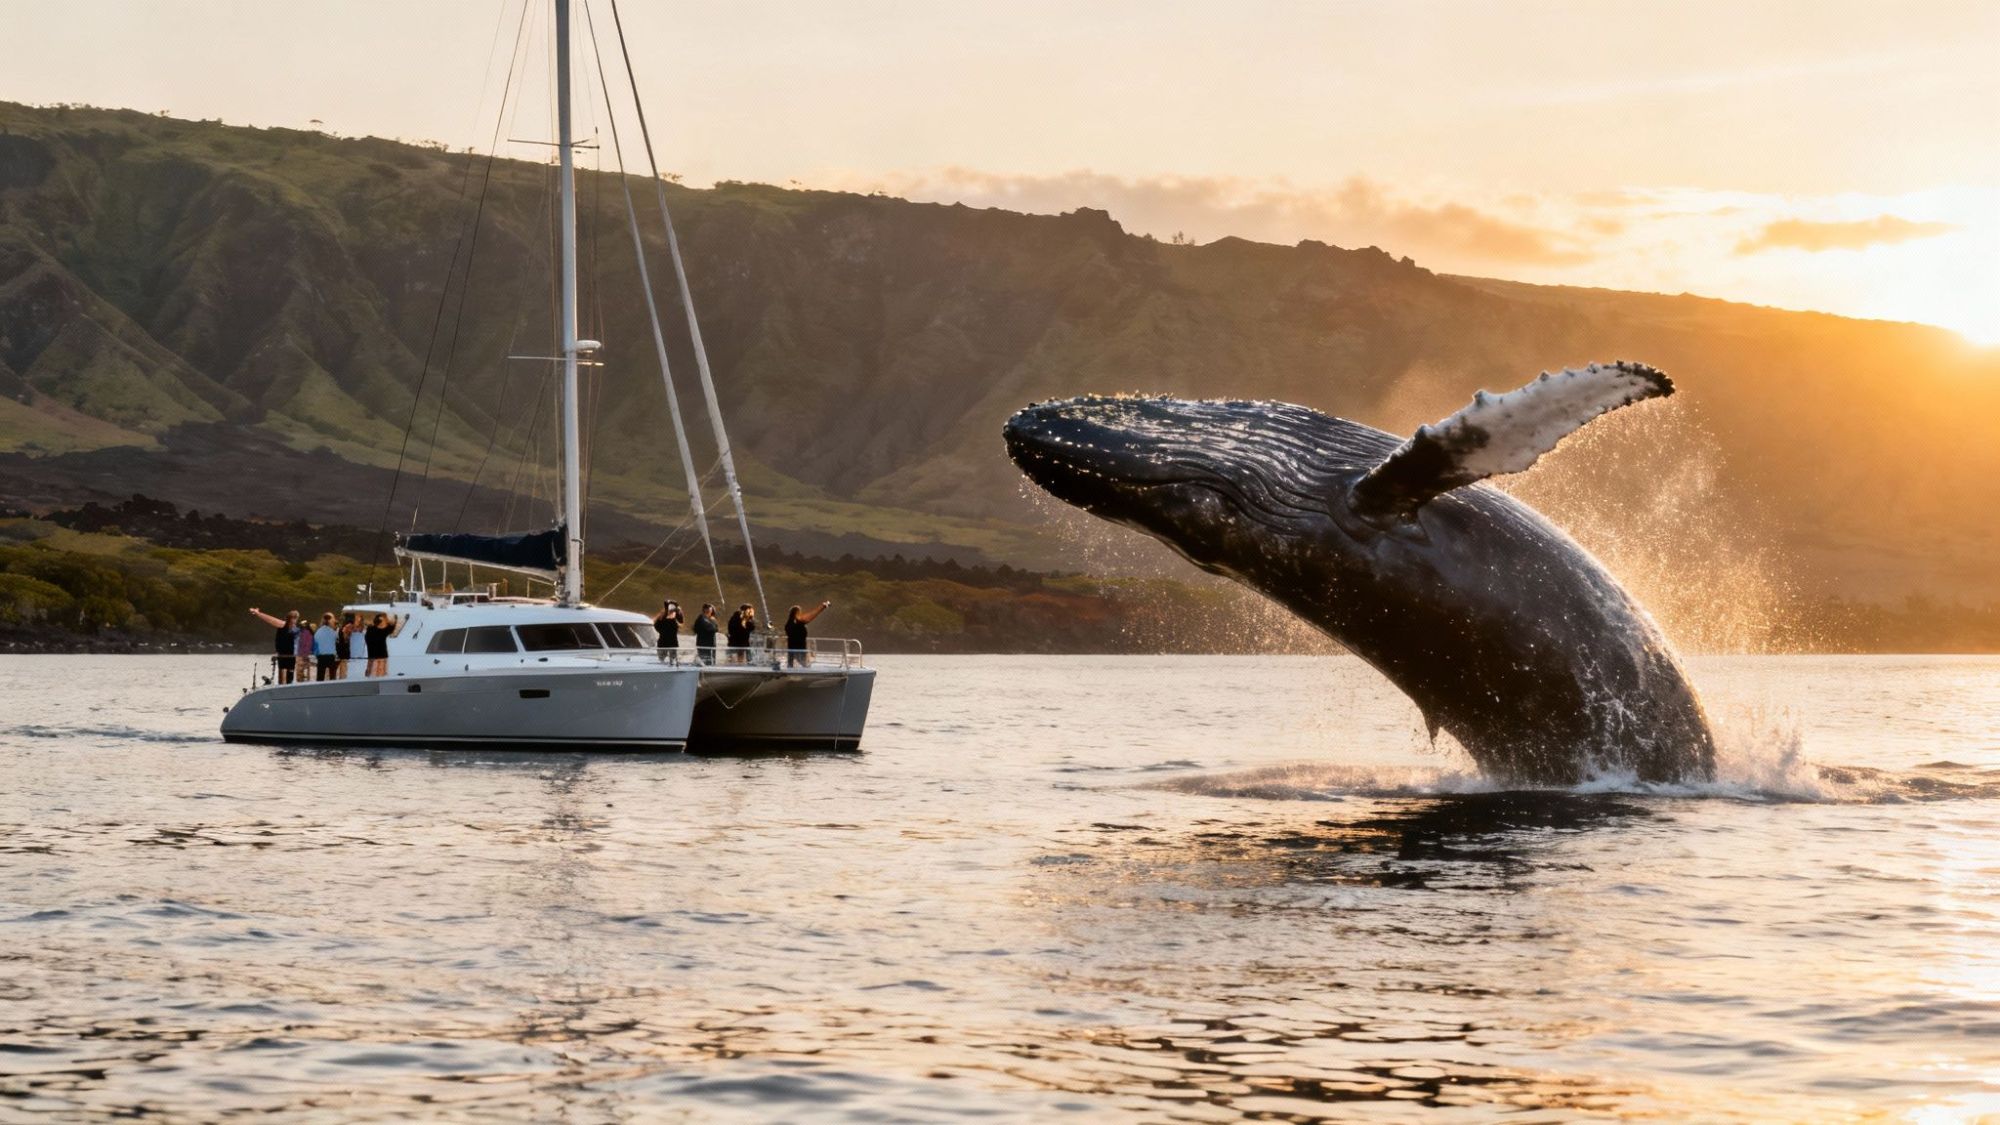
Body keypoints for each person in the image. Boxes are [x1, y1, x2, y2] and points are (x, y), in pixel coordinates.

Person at [249, 607, 304, 683]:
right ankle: (282, 686)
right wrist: (258, 613)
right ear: (289, 618)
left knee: (290, 674)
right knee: (283, 673)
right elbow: (270, 619)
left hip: (292, 656)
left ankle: (289, 685)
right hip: (283, 655)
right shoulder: (283, 624)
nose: (294, 620)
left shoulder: (296, 629)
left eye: (296, 618)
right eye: (293, 618)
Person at [784, 601, 831, 668]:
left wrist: (823, 607)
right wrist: (823, 607)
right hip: (800, 647)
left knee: (791, 663)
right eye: (800, 612)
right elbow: (812, 615)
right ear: (797, 613)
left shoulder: (789, 623)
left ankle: (791, 670)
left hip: (791, 647)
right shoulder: (799, 622)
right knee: (803, 664)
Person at [363, 612, 401, 678]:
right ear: (380, 623)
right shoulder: (382, 631)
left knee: (370, 675)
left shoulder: (369, 630)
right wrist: (394, 620)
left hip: (371, 656)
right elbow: (391, 628)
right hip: (381, 656)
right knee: (380, 675)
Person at [312, 612, 339, 681]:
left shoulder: (318, 632)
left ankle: (319, 690)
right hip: (331, 657)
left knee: (320, 678)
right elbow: (336, 641)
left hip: (321, 657)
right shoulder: (333, 632)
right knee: (332, 677)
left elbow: (315, 644)